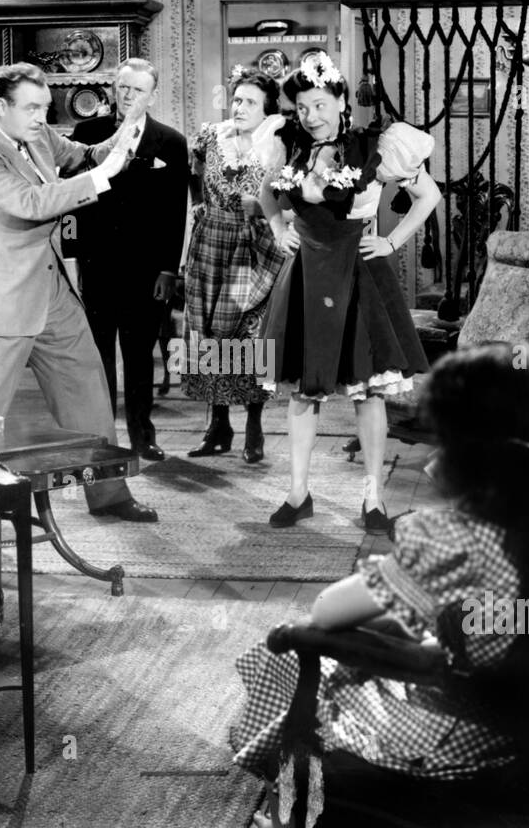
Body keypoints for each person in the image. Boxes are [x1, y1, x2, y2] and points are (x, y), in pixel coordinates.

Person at [230, 345, 529, 824]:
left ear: (470, 452)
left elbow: (325, 612)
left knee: (285, 656)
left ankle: (298, 810)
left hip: (463, 738)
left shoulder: (456, 537)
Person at [0, 62, 157, 522]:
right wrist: (106, 175)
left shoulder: (37, 133)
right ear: (1, 106)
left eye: (45, 107)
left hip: (51, 289)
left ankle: (108, 494)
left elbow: (83, 154)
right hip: (0, 298)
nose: (42, 117)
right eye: (32, 108)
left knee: (87, 388)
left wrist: (126, 131)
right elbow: (32, 203)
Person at [259, 52, 441, 534]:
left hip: (360, 274)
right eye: (302, 108)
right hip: (306, 273)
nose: (311, 116)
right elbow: (264, 194)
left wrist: (391, 242)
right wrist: (279, 228)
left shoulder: (375, 147)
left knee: (369, 392)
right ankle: (298, 493)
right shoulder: (289, 145)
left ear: (341, 100)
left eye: (319, 105)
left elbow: (429, 197)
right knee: (303, 390)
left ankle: (373, 497)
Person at [71, 59, 189, 462]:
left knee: (139, 357)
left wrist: (168, 269)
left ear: (152, 95)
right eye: (122, 88)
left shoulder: (170, 142)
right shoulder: (87, 134)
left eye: (137, 90)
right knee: (98, 355)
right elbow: (74, 195)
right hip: (98, 264)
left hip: (146, 270)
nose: (127, 96)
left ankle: (142, 436)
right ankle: (101, 436)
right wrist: (78, 258)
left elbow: (176, 210)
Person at [180, 67, 287, 462]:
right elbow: (192, 175)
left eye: (250, 103)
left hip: (255, 246)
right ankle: (218, 423)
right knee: (206, 333)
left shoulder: (278, 143)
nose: (240, 108)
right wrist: (197, 204)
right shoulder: (212, 136)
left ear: (268, 109)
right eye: (237, 100)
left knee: (249, 335)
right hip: (210, 242)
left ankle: (254, 425)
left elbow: (291, 200)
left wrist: (260, 208)